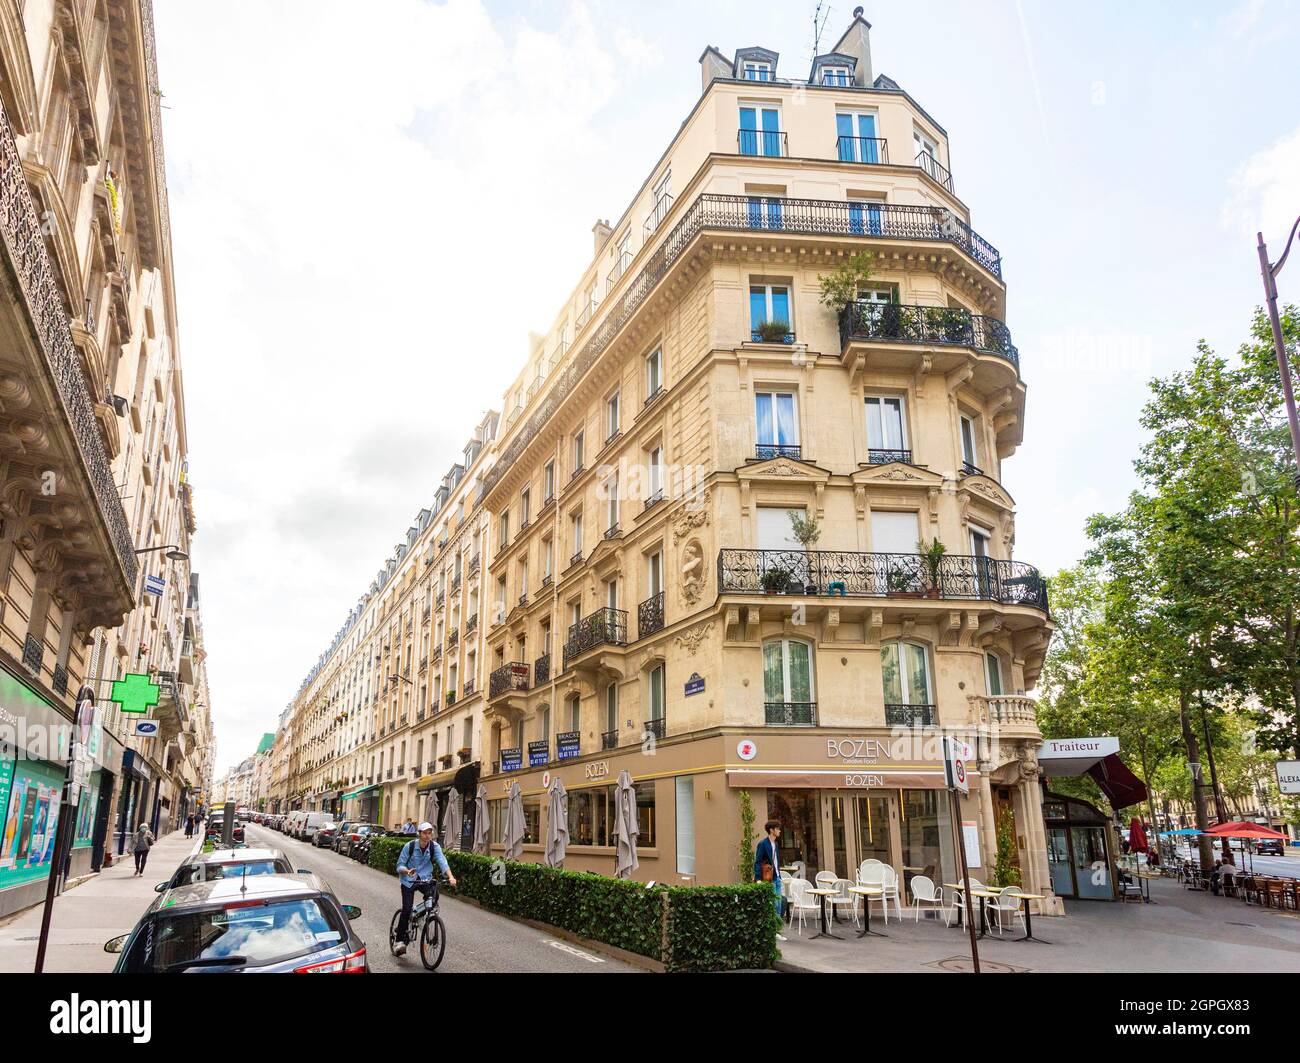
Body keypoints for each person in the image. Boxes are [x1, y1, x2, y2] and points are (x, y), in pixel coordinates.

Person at [394, 822, 457, 955]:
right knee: (406, 909)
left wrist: (451, 877)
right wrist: (407, 871)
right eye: (425, 833)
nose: (427, 836)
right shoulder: (409, 846)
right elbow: (399, 866)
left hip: (425, 879)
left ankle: (419, 915)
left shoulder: (434, 847)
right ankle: (399, 941)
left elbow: (442, 862)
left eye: (429, 833)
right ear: (419, 834)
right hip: (408, 881)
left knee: (434, 896)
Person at [753, 820, 784, 919]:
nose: (779, 831)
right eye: (777, 828)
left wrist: (779, 875)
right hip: (769, 878)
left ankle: (777, 930)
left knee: (779, 905)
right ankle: (773, 930)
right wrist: (758, 879)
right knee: (773, 905)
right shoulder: (763, 844)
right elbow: (757, 861)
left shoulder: (776, 844)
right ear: (771, 830)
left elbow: (776, 861)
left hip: (777, 878)